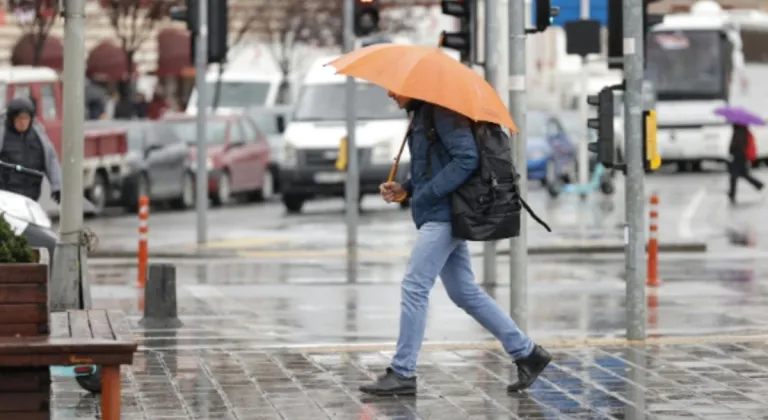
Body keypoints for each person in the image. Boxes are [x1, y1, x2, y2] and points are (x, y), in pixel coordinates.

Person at [359, 92, 550, 397]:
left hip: (444, 215)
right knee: (464, 291)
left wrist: (428, 194)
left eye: (395, 88)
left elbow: (467, 158)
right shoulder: (423, 115)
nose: (390, 93)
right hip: (441, 212)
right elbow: (434, 165)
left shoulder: (442, 112)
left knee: (414, 286)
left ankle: (403, 371)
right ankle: (527, 353)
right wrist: (406, 188)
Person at [0, 97, 62, 203]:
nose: (23, 122)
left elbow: (51, 158)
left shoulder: (39, 135)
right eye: (19, 118)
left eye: (26, 118)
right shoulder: (3, 134)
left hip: (31, 198)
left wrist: (57, 186)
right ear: (12, 118)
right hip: (6, 199)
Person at [727, 123, 763, 204]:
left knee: (734, 175)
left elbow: (737, 144)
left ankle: (732, 193)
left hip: (738, 155)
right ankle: (758, 184)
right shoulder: (742, 129)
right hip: (741, 155)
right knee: (742, 174)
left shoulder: (739, 130)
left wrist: (731, 151)